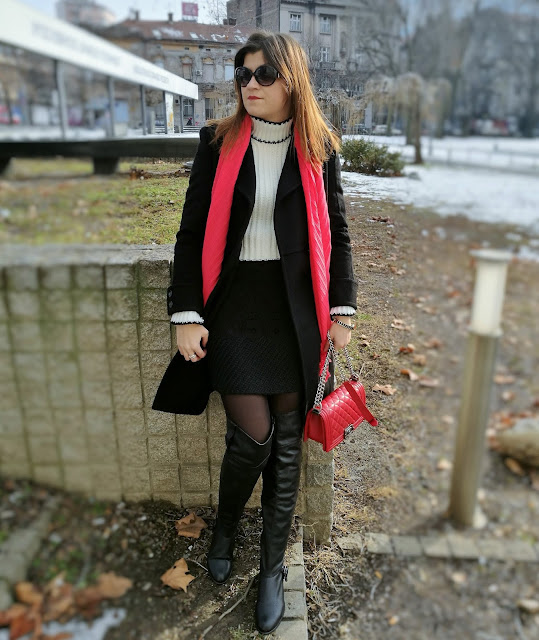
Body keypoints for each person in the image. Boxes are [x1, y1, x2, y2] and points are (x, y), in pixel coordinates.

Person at [158, 31, 357, 635]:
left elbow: (338, 234)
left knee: (288, 444)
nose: (250, 84)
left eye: (264, 74)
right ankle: (225, 527)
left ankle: (271, 568)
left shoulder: (319, 147)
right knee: (254, 438)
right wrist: (186, 313)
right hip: (235, 306)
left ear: (291, 79)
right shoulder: (217, 143)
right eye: (243, 73)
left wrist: (343, 309)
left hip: (296, 310)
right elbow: (191, 233)